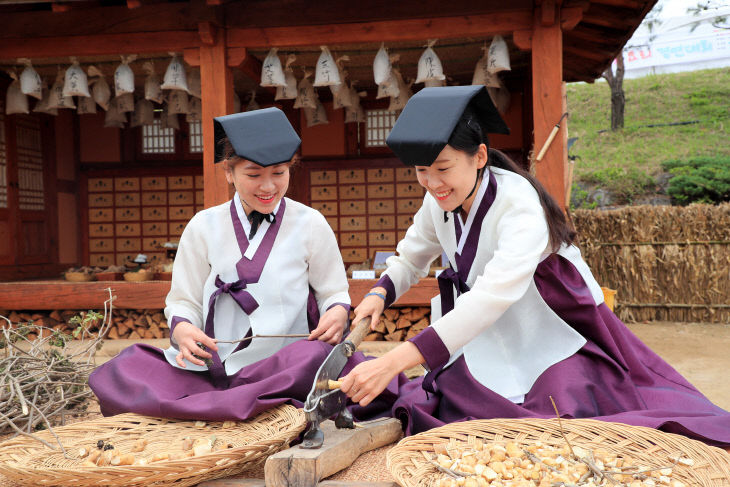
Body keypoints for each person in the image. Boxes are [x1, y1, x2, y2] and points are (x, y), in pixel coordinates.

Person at [340, 86, 730, 447]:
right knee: (468, 404)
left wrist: (394, 360)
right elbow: (412, 255)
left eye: (442, 168)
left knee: (564, 411)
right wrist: (379, 293)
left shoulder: (518, 201)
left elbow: (492, 295)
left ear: (478, 156)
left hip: (554, 316)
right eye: (421, 172)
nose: (431, 183)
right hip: (492, 322)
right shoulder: (437, 200)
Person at [89, 108, 399, 421]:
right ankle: (245, 402)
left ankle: (220, 405)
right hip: (210, 367)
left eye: (279, 173)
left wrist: (335, 311)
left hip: (285, 364)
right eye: (253, 175)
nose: (268, 187)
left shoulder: (310, 224)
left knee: (318, 356)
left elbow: (333, 292)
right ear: (228, 172)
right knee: (128, 366)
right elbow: (184, 300)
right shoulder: (202, 226)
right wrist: (183, 328)